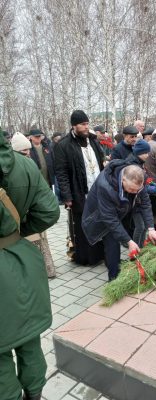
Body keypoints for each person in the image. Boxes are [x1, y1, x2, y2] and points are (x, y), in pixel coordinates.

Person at [0, 130, 59, 400]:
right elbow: (49, 211)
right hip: (21, 259)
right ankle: (34, 395)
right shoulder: (23, 163)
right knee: (28, 339)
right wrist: (18, 233)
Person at [82, 164, 156, 280]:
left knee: (122, 236)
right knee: (113, 246)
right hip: (101, 217)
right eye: (131, 189)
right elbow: (110, 219)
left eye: (136, 190)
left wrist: (151, 228)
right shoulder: (105, 186)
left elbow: (145, 203)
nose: (134, 193)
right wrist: (129, 241)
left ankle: (118, 269)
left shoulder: (140, 177)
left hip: (121, 210)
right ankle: (113, 280)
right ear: (123, 179)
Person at [54, 110, 105, 265]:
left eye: (87, 123)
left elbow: (100, 162)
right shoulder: (63, 145)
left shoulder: (93, 141)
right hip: (79, 191)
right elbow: (61, 173)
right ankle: (85, 258)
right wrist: (67, 196)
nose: (86, 127)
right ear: (74, 125)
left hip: (98, 190)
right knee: (82, 225)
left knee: (99, 221)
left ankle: (100, 254)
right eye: (83, 124)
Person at [11, 132, 57, 279]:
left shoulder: (28, 161)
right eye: (23, 151)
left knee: (42, 242)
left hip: (36, 213)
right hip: (27, 217)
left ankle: (48, 269)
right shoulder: (16, 168)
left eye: (28, 150)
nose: (27, 153)